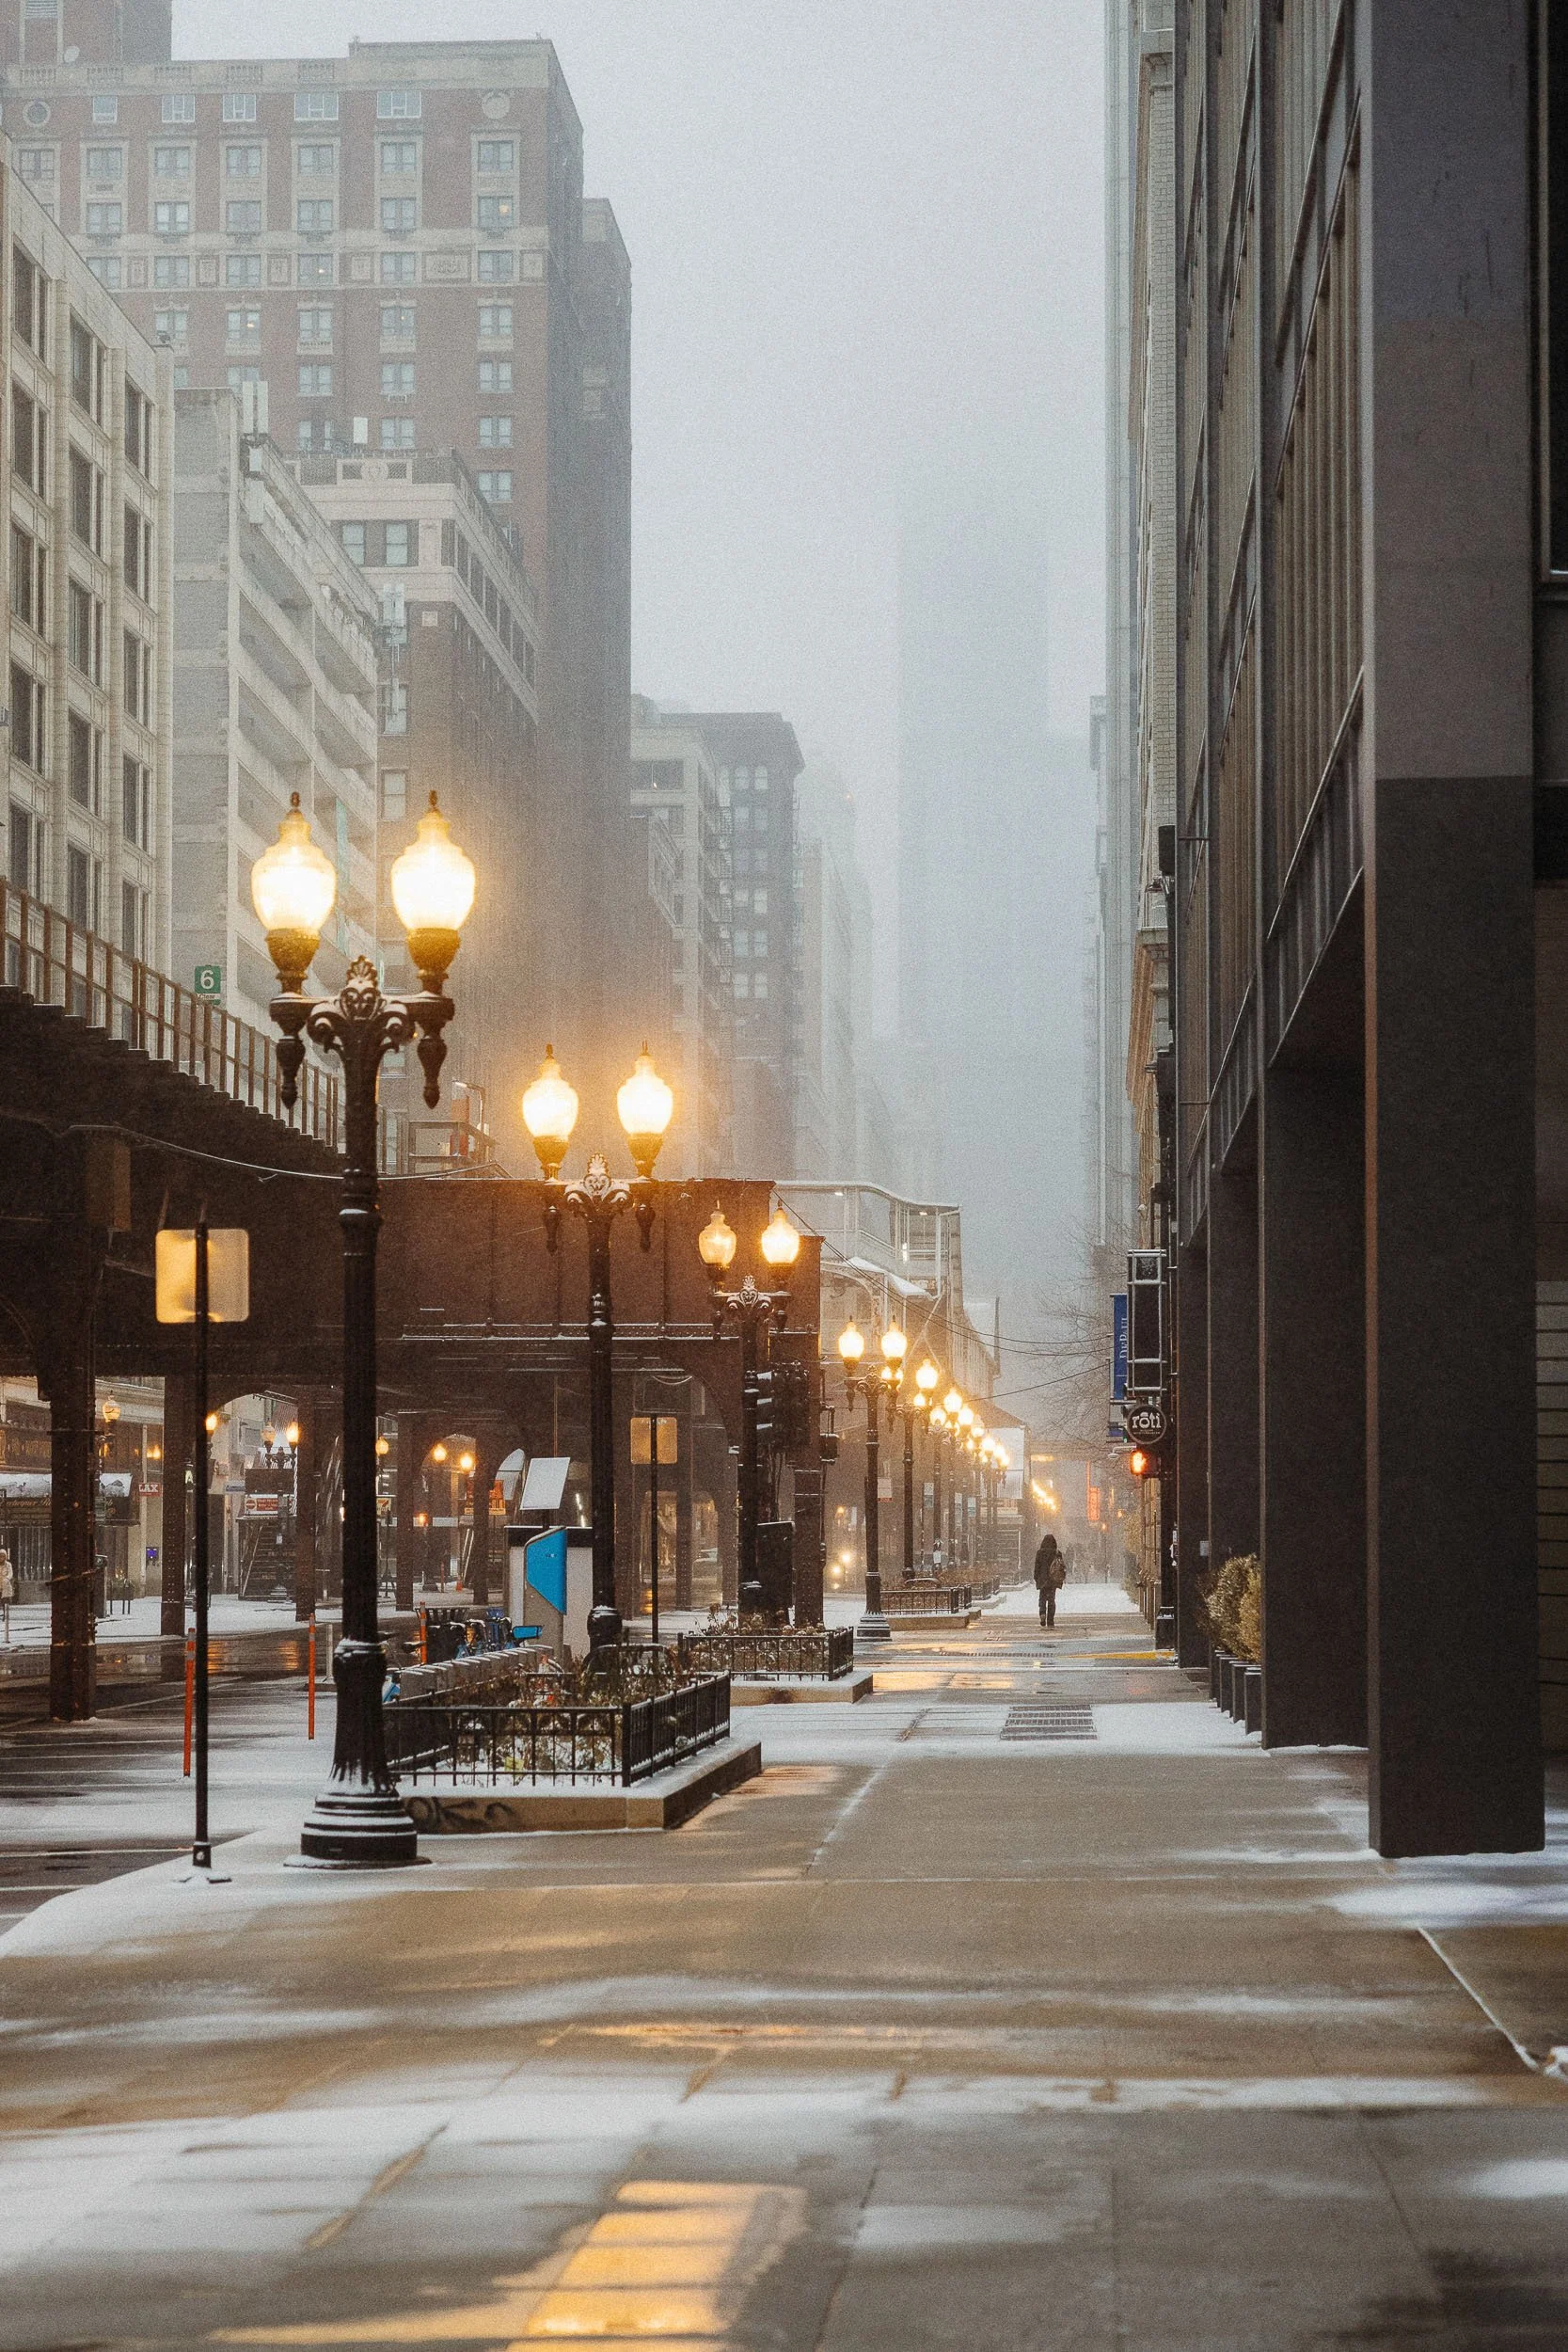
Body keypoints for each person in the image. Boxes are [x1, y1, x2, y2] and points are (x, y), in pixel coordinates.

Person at [1033, 1530, 1066, 1629]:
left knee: (1042, 1597)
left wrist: (1036, 1578)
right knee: (1051, 1599)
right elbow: (1061, 1567)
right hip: (1053, 1579)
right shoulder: (1057, 1553)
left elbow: (1037, 1567)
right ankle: (1050, 1620)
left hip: (1043, 1579)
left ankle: (1042, 1613)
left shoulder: (1040, 1553)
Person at [0, 1546, 12, 1643]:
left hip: (5, 1586)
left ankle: (5, 1614)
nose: (1, 1558)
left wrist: (7, 1578)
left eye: (3, 1556)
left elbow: (10, 1574)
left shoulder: (8, 1565)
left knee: (5, 1601)